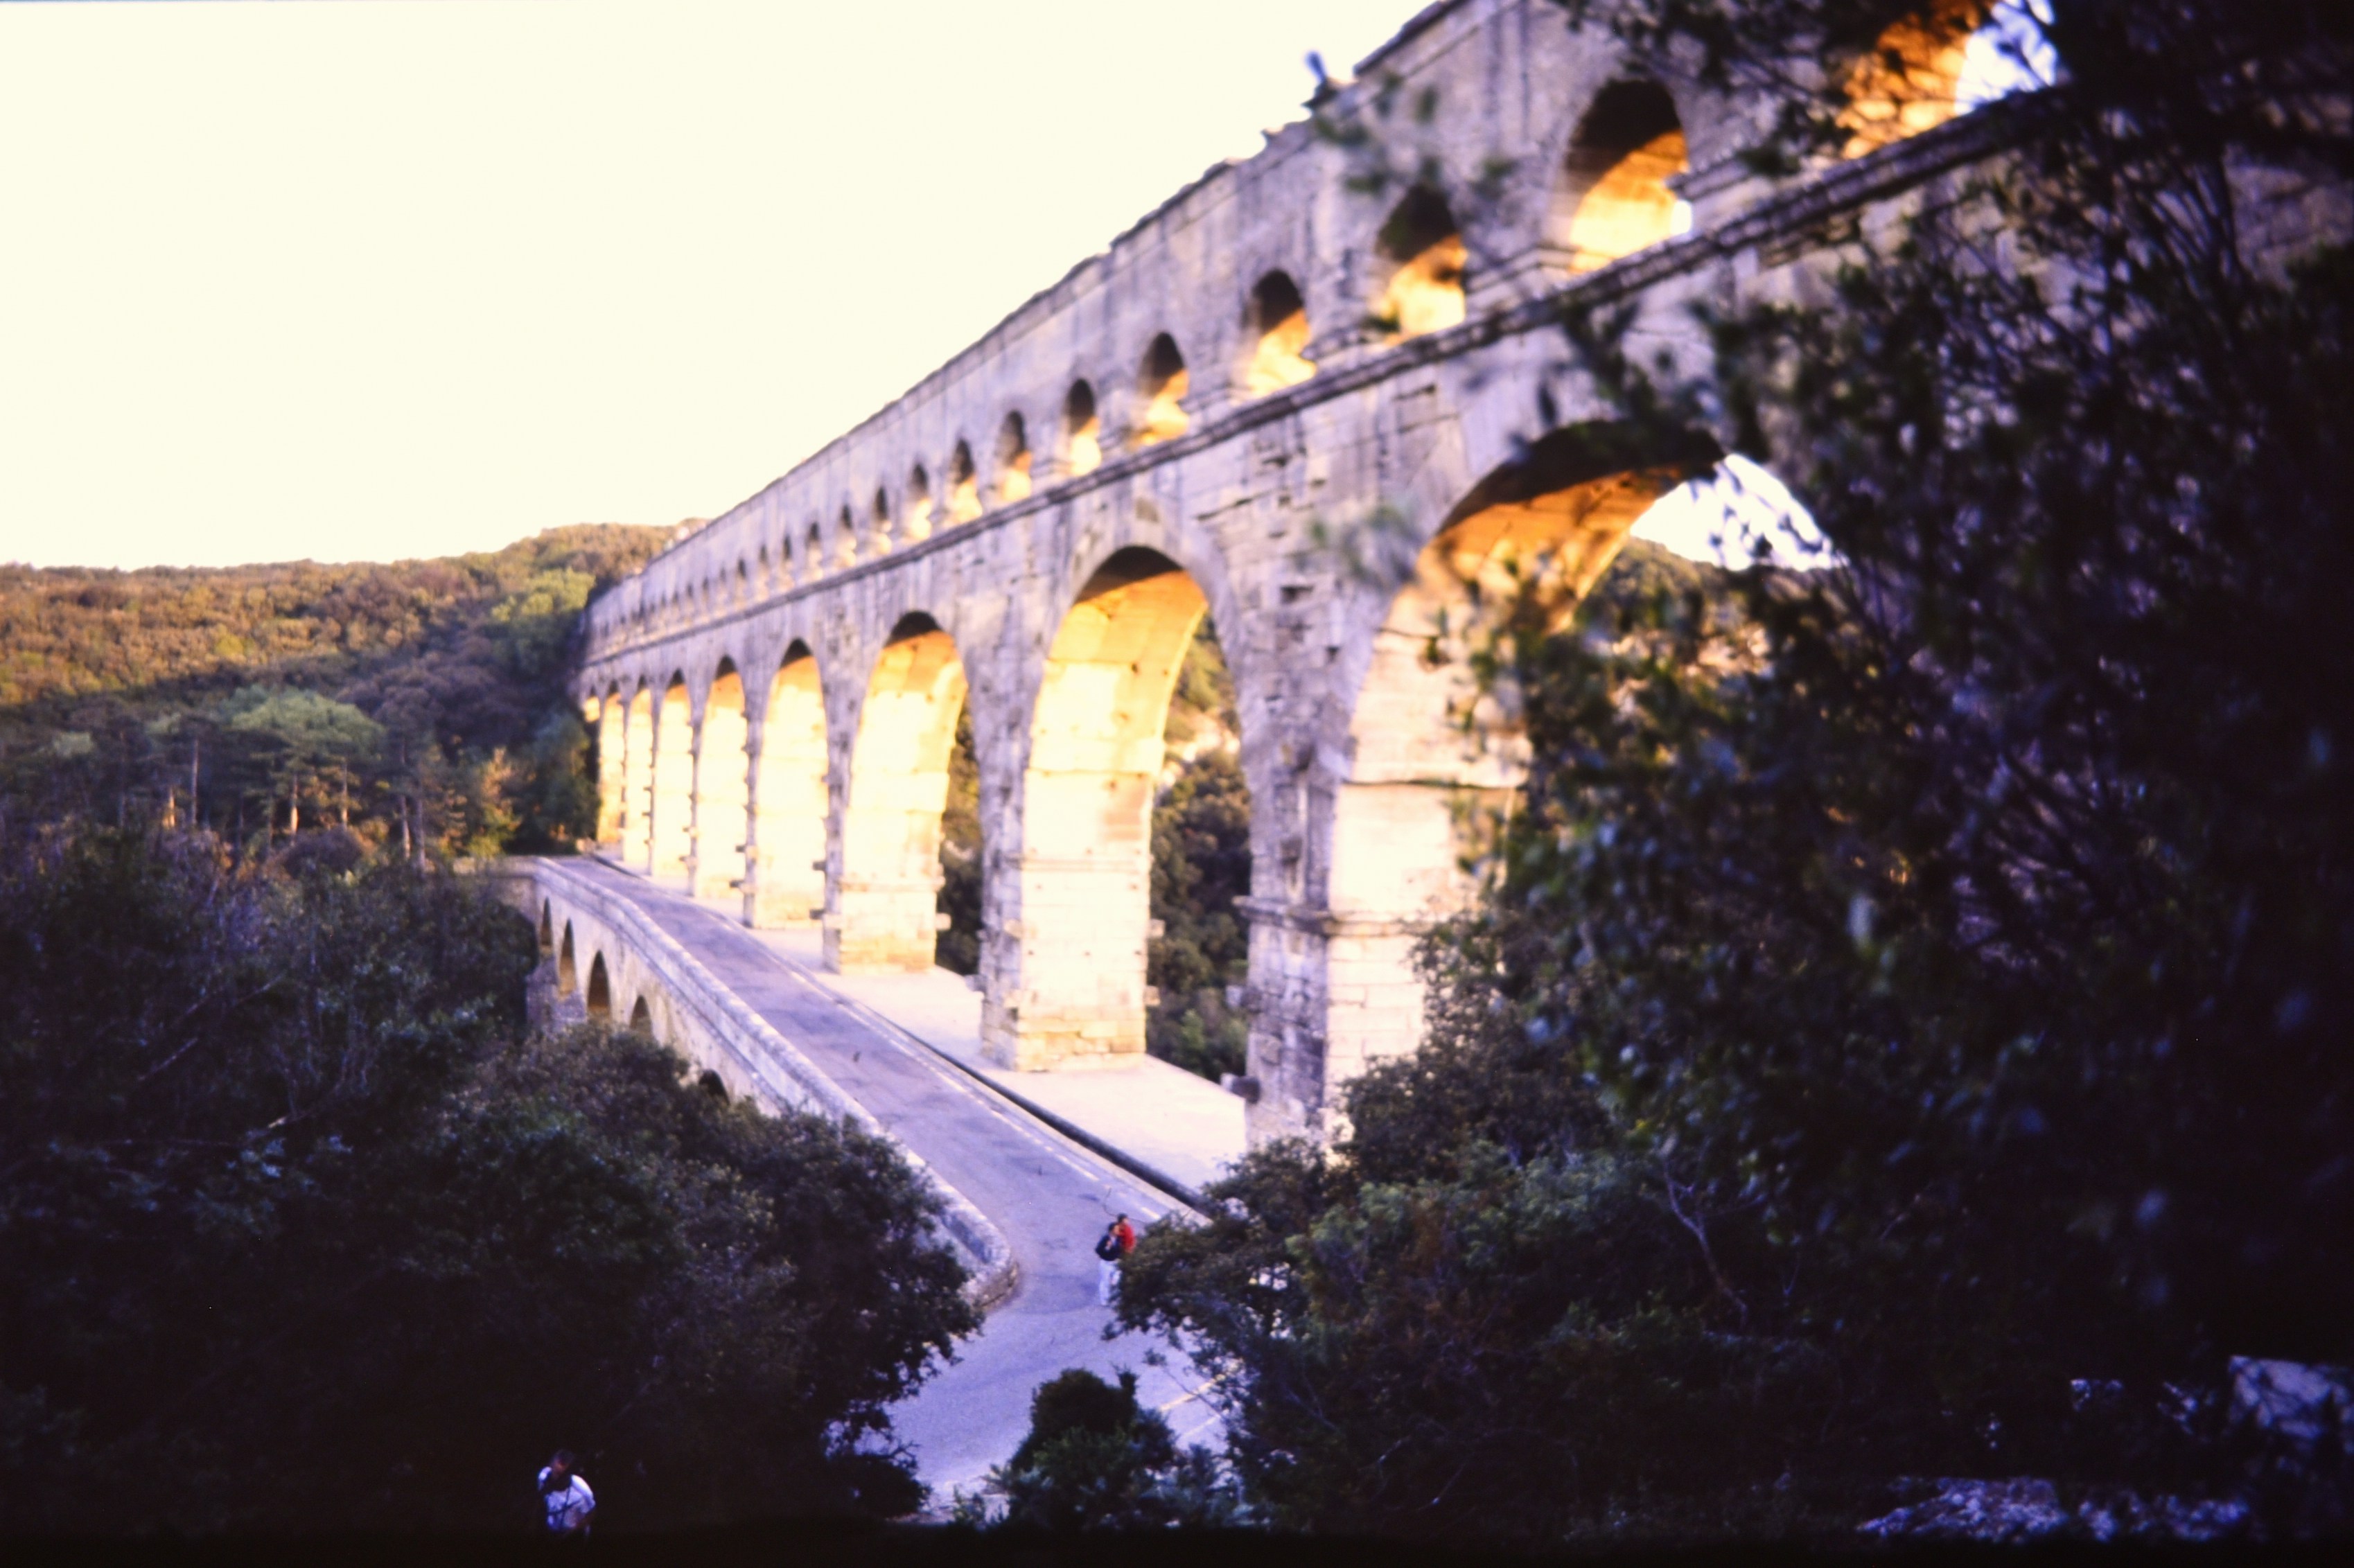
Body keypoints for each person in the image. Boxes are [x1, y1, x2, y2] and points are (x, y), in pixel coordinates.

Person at [537, 1450, 596, 1536]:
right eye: (557, 1474)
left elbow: (591, 1514)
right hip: (550, 1531)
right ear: (551, 1465)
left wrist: (571, 1533)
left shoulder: (582, 1492)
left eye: (562, 1476)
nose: (558, 1480)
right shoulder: (542, 1477)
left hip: (574, 1535)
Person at [1094, 1213, 1137, 1306]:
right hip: (1106, 1263)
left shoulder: (1118, 1239)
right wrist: (1107, 1249)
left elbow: (1124, 1245)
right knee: (1105, 1282)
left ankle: (1114, 1283)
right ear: (1111, 1231)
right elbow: (1098, 1250)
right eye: (1117, 1229)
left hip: (1115, 1261)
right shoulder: (1106, 1239)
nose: (1119, 1231)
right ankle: (1104, 1299)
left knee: (1117, 1276)